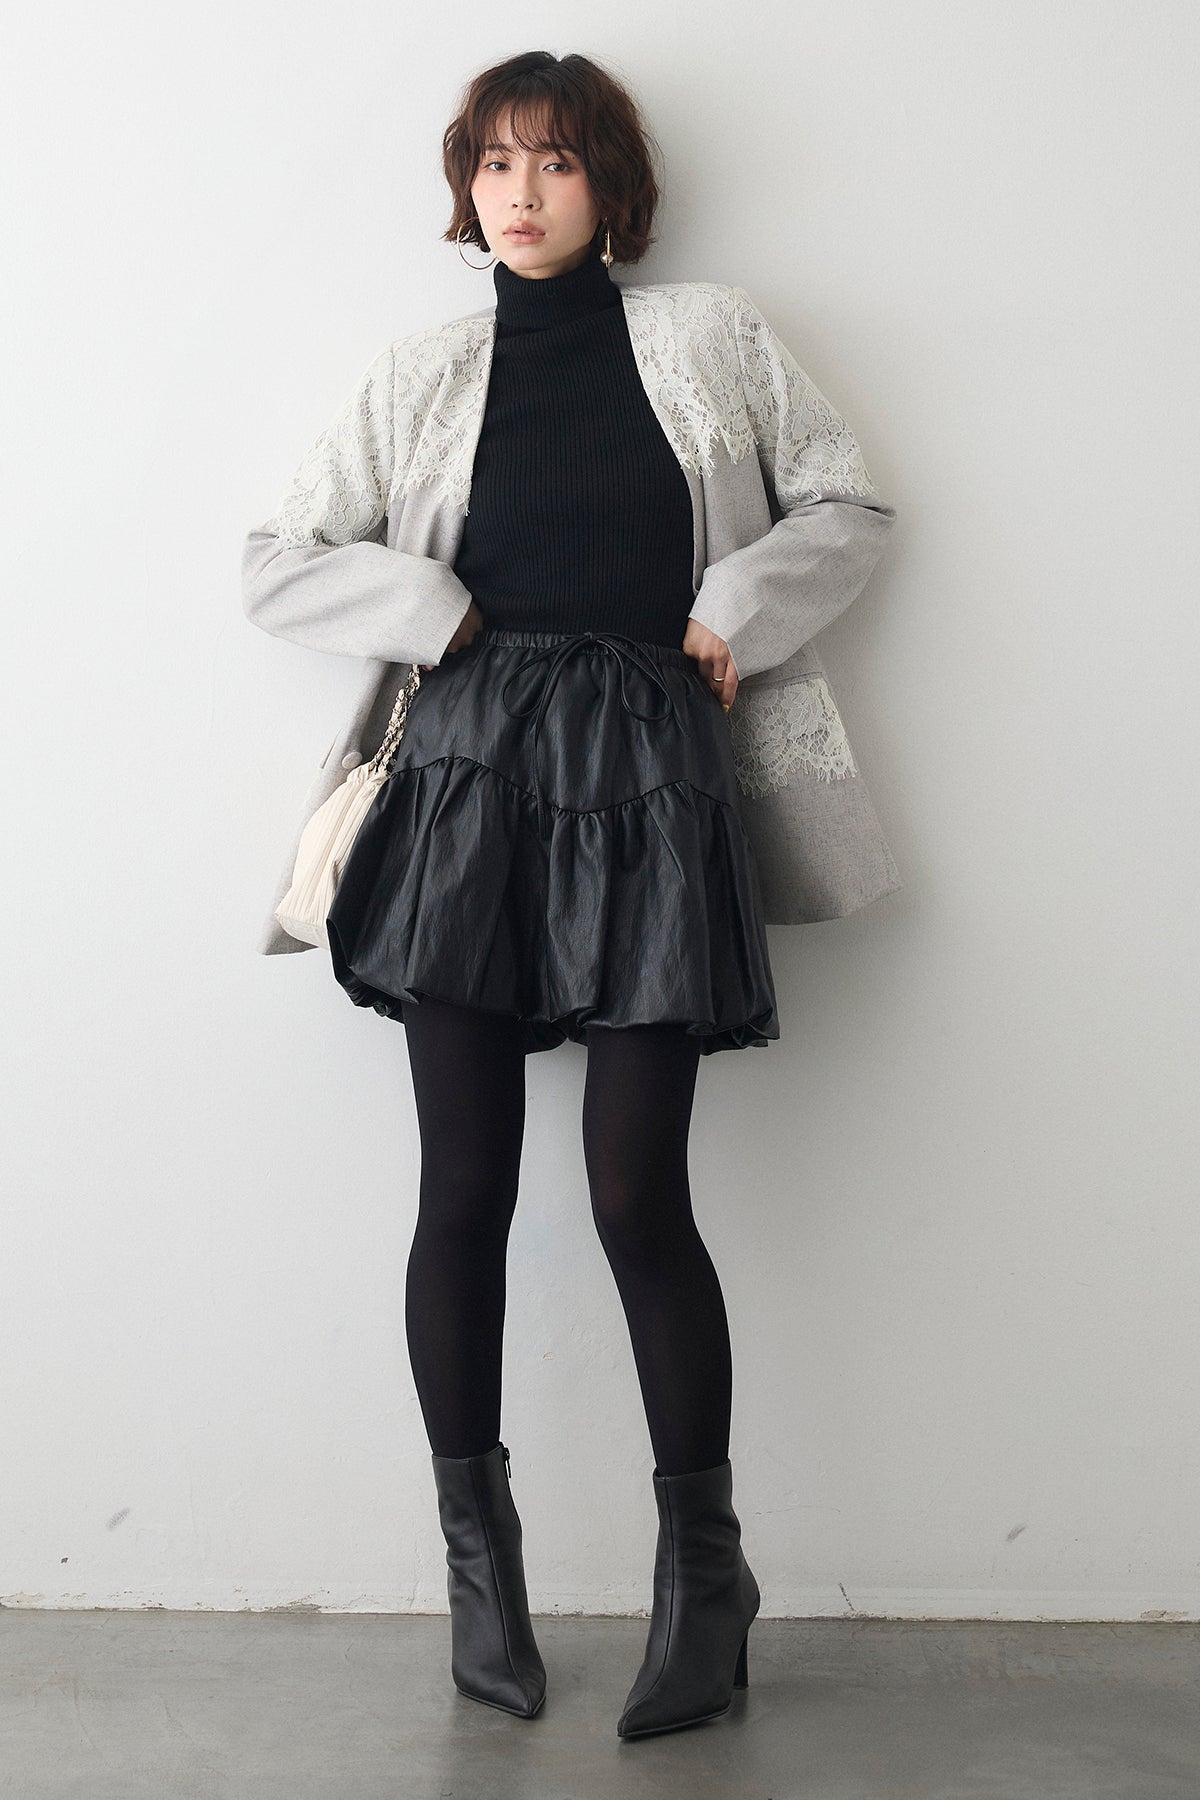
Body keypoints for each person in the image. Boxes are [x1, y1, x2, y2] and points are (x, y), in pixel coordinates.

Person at [242, 49, 893, 1740]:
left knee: (633, 1194)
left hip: (654, 779)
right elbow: (276, 558)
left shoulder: (713, 336)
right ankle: (482, 1571)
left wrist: (733, 610)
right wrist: (428, 608)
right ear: (465, 187)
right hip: (465, 789)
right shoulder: (424, 370)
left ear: (613, 186)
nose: (520, 193)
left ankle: (705, 1577)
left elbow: (849, 499)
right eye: (494, 164)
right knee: (461, 1185)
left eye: (555, 162)